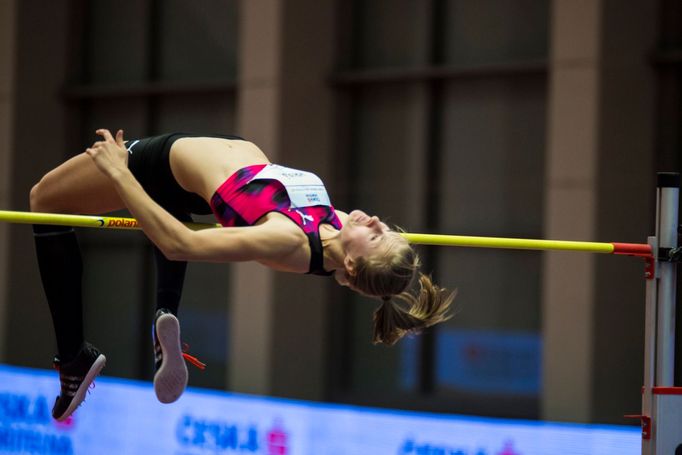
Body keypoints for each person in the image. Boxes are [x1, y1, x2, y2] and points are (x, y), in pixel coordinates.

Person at [29, 129, 455, 421]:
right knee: (166, 200)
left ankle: (73, 358)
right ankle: (165, 310)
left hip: (167, 163)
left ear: (349, 265)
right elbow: (351, 274)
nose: (377, 221)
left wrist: (120, 173)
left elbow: (181, 244)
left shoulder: (287, 240)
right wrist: (378, 263)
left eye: (377, 236)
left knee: (43, 200)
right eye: (385, 228)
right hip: (198, 178)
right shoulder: (338, 231)